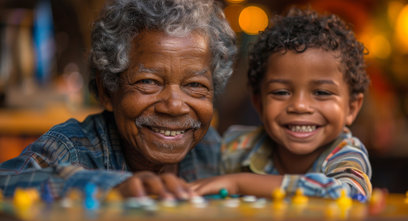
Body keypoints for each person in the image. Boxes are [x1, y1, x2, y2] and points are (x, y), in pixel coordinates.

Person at [0, 0, 236, 200]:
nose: (174, 106)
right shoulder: (73, 147)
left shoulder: (209, 149)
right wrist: (108, 186)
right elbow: (5, 181)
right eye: (148, 82)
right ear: (107, 91)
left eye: (195, 85)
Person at [191, 8, 372, 200]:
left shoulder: (346, 154)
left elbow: (350, 194)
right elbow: (198, 186)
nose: (300, 106)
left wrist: (237, 183)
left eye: (321, 93)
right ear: (259, 103)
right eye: (281, 92)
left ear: (352, 108)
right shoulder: (237, 147)